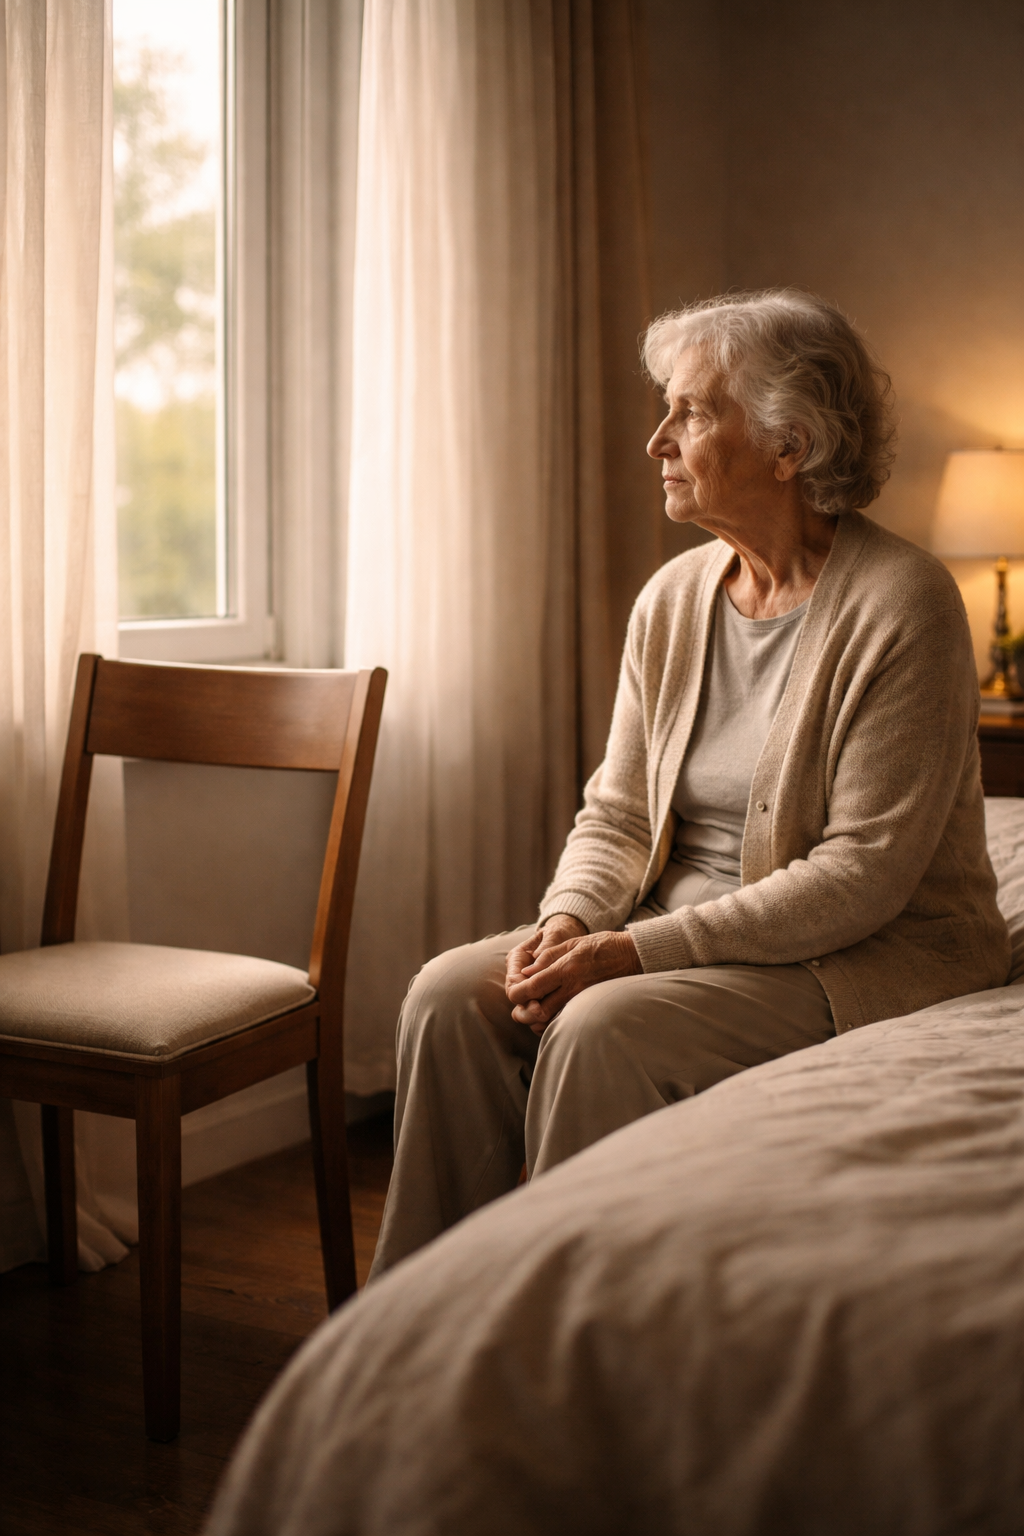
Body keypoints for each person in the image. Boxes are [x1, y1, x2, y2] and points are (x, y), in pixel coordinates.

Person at [368, 288, 1010, 1279]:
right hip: (678, 926)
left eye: (691, 410)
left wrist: (628, 956)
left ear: (789, 444)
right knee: (446, 998)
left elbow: (858, 878)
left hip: (867, 951)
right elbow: (618, 809)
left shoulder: (904, 603)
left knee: (599, 1032)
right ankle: (425, 1309)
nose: (656, 440)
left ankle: (564, 1323)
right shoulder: (673, 597)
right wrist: (571, 922)